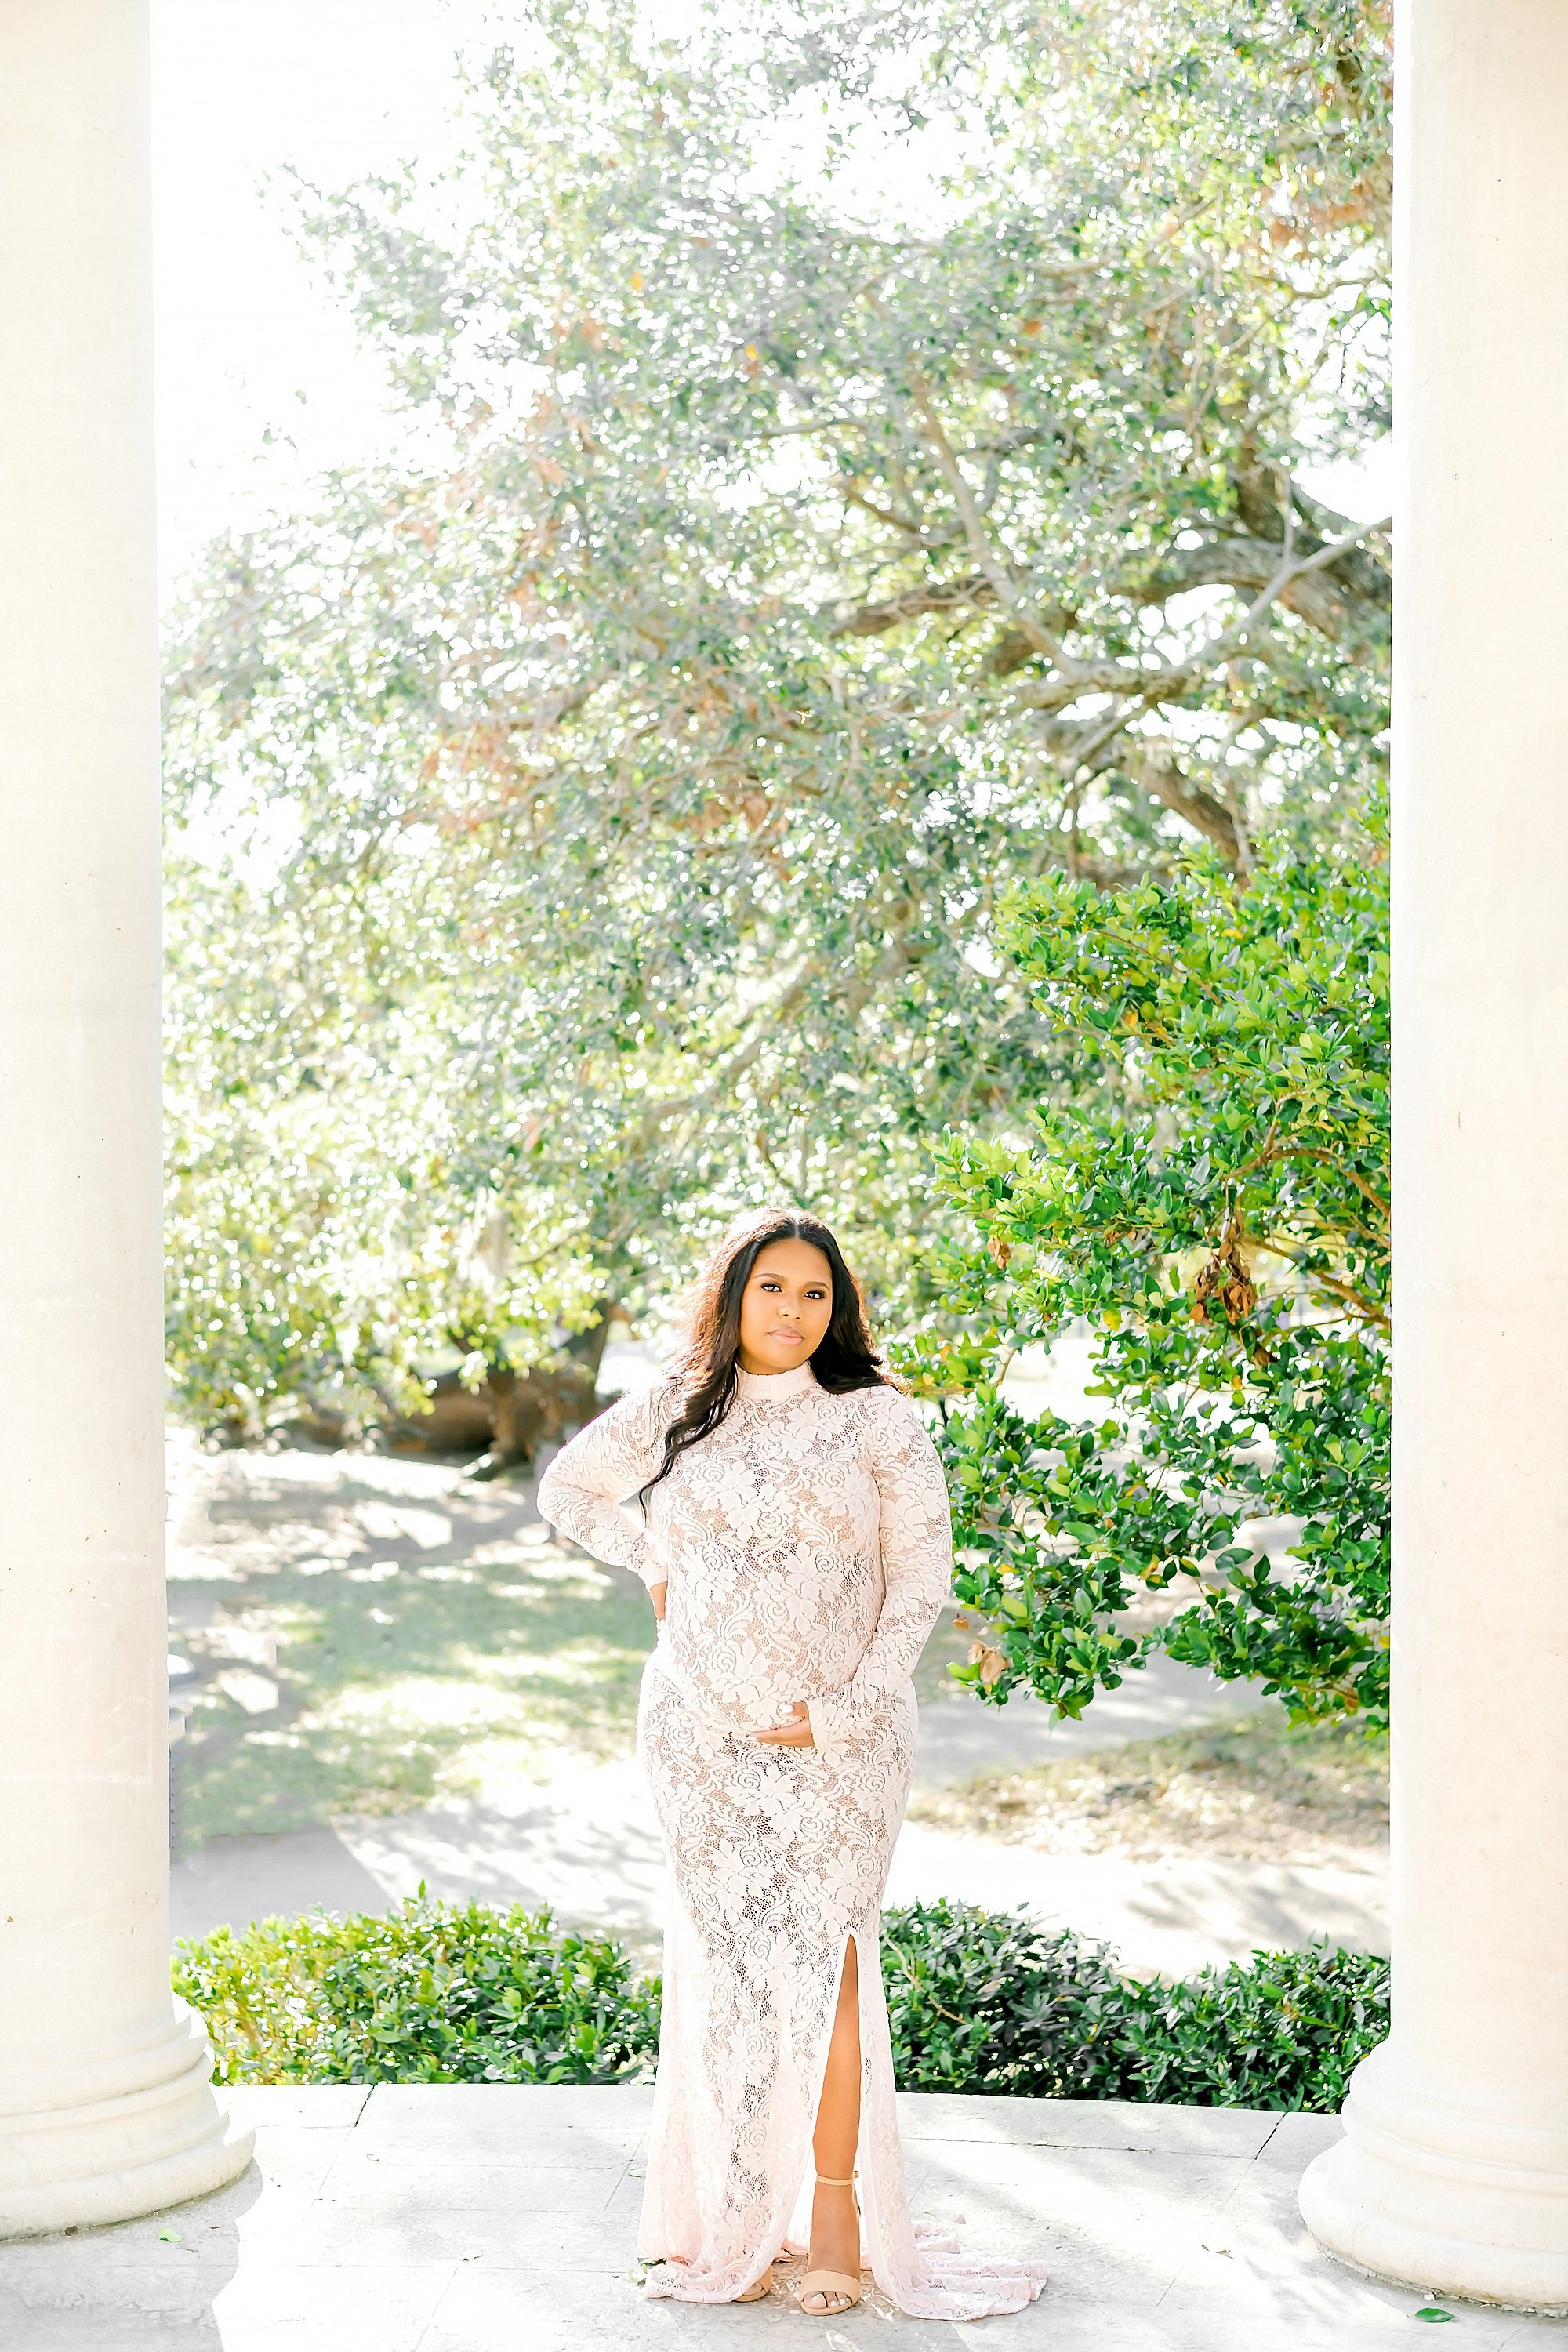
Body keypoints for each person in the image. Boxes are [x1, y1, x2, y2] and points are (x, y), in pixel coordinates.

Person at [537, 1207, 1048, 2320]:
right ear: (732, 1296)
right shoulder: (678, 1409)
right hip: (697, 1738)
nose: (792, 1311)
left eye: (815, 1294)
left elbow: (920, 1582)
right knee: (729, 1973)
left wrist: (843, 1709)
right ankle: (739, 2216)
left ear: (839, 1310)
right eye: (772, 1288)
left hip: (842, 1744)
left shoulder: (875, 1423)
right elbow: (571, 1491)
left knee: (834, 1966)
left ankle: (837, 2218)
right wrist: (650, 1556)